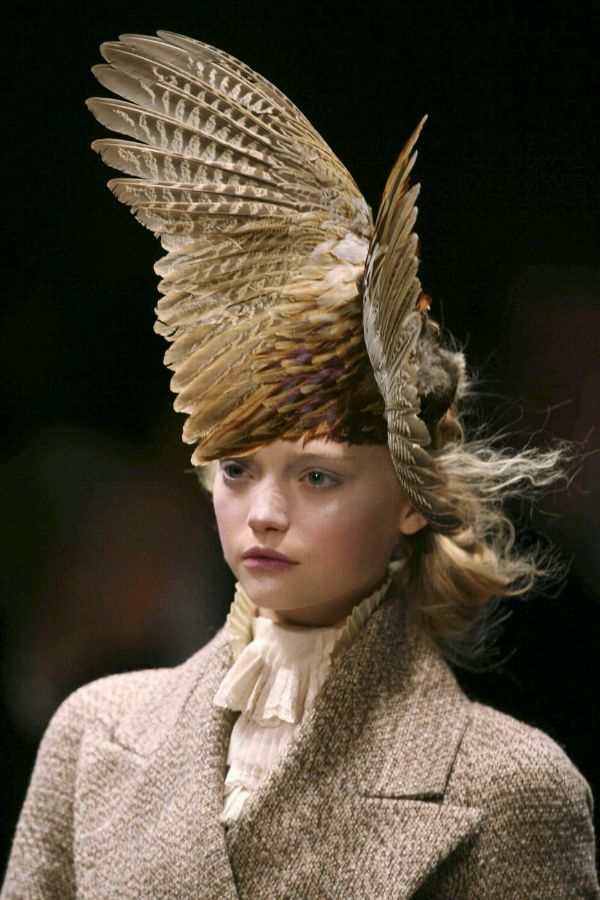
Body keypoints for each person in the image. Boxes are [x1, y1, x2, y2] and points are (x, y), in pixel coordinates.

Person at [2, 31, 597, 899]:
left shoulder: (515, 791)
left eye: (317, 476)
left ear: (410, 495)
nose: (264, 513)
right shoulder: (93, 737)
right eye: (237, 469)